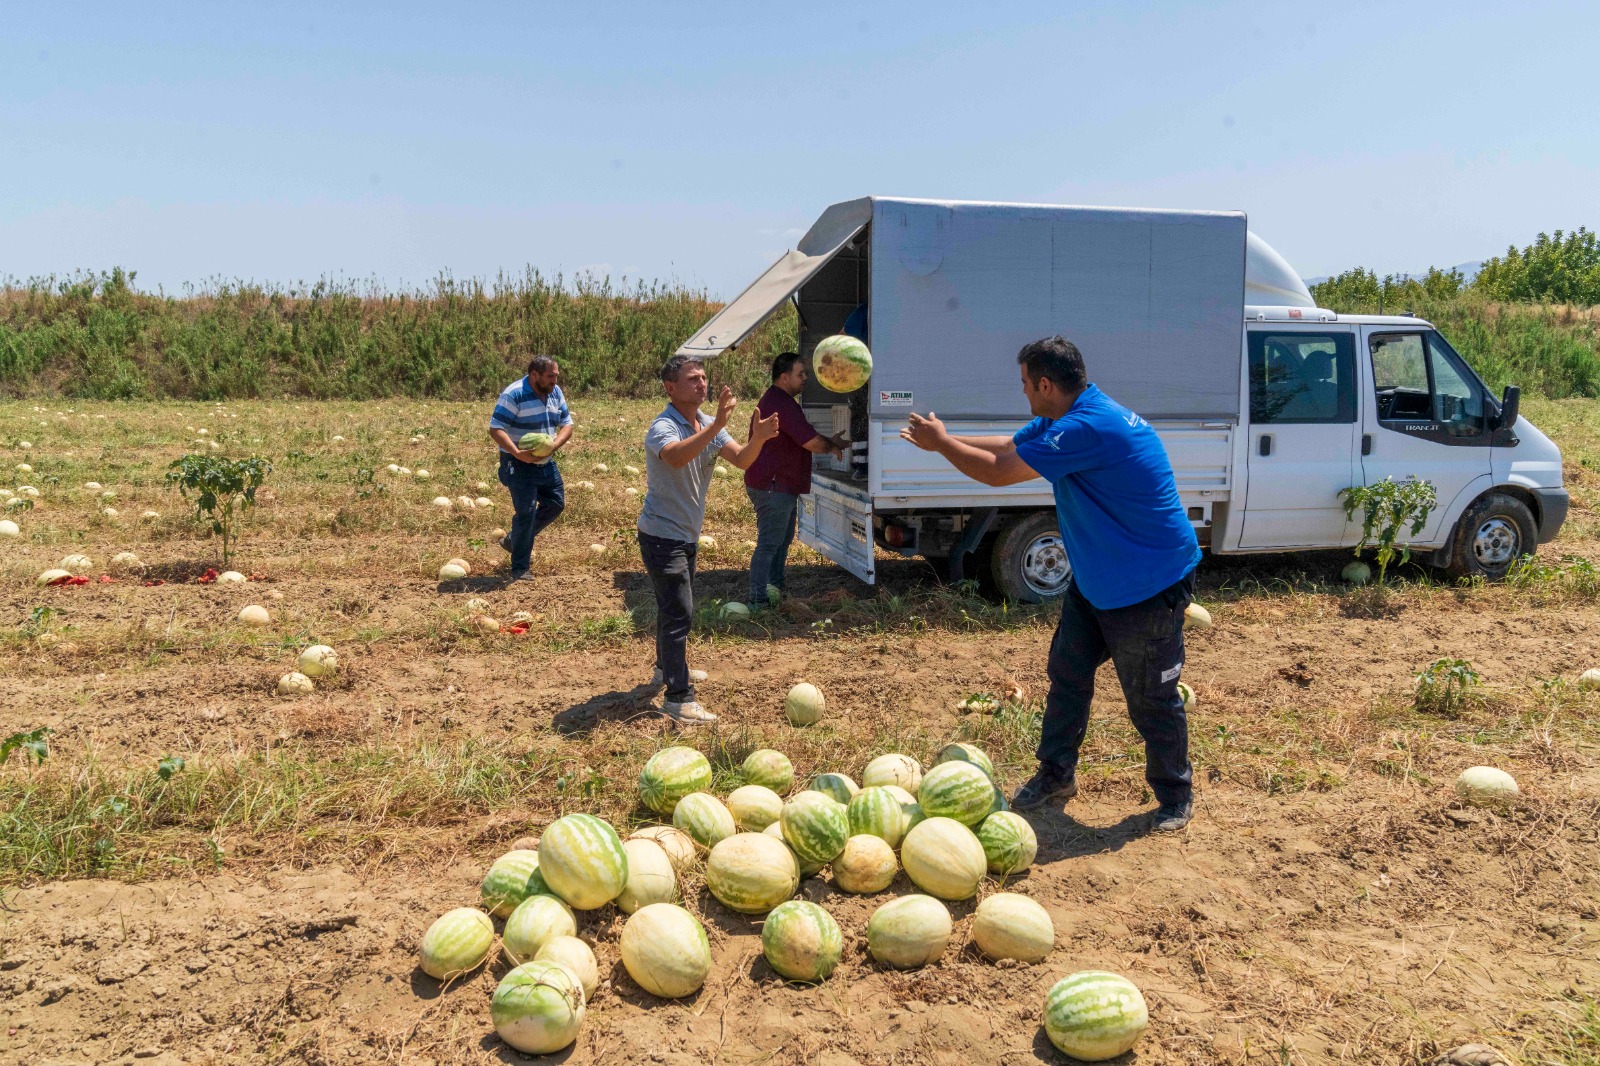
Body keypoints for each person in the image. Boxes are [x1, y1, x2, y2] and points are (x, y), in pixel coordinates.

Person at [900, 336, 1201, 832]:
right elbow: (1009, 448)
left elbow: (999, 473)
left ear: (1045, 384)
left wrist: (942, 445)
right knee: (1068, 674)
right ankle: (1056, 775)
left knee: (1151, 696)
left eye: (1024, 383)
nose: (1021, 392)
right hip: (1098, 575)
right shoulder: (1067, 415)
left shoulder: (1088, 427)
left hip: (1146, 582)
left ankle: (1175, 796)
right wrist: (946, 437)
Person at [639, 355, 780, 725]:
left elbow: (742, 460)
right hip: (661, 535)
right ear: (670, 388)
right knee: (679, 612)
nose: (702, 383)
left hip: (685, 534)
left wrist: (759, 438)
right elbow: (675, 457)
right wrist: (717, 423)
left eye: (703, 377)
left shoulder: (706, 423)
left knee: (671, 608)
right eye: (693, 379)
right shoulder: (663, 426)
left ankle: (665, 668)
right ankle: (678, 698)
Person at [742, 352, 847, 609]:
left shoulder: (780, 401)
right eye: (801, 374)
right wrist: (832, 446)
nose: (805, 378)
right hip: (773, 486)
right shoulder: (782, 404)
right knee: (770, 543)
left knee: (781, 540)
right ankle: (757, 599)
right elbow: (809, 441)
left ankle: (774, 588)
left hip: (778, 485)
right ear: (784, 377)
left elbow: (804, 435)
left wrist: (830, 441)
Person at [488, 355, 573, 584]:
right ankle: (520, 568)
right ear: (534, 375)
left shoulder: (555, 392)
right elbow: (496, 428)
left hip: (545, 462)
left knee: (556, 504)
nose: (555, 381)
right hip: (517, 464)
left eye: (556, 376)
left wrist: (553, 446)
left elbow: (567, 424)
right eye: (550, 376)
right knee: (526, 512)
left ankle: (514, 539)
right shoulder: (514, 394)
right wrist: (517, 452)